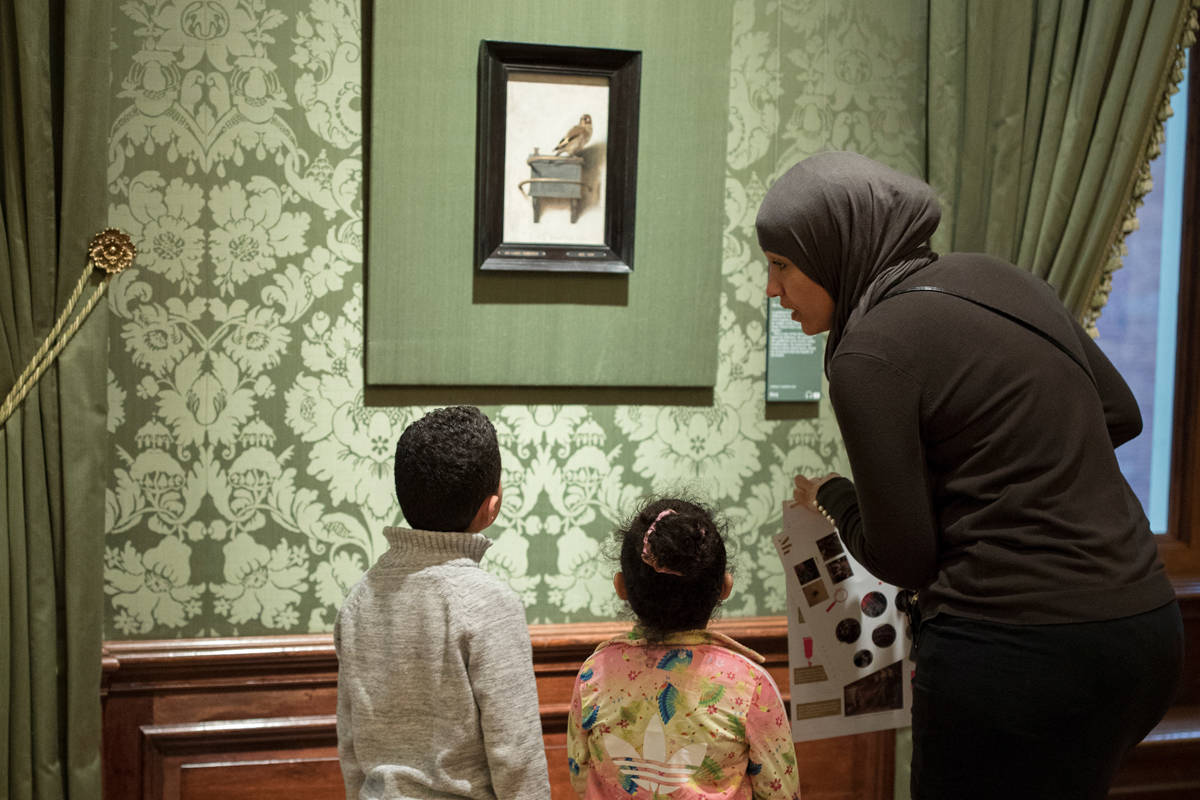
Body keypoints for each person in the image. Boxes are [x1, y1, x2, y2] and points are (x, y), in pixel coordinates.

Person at [755, 150, 1184, 799]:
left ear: (834, 247)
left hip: (1017, 650)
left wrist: (831, 495)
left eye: (782, 264)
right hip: (1143, 631)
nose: (772, 289)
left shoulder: (868, 352)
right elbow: (1119, 412)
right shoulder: (998, 276)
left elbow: (904, 555)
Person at [334, 405, 550, 800]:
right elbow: (516, 753)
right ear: (492, 506)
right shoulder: (489, 604)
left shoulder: (359, 598)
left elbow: (349, 740)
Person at [567, 497, 801, 799]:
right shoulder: (750, 685)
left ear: (621, 587)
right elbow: (782, 792)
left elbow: (579, 775)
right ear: (724, 588)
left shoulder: (593, 676)